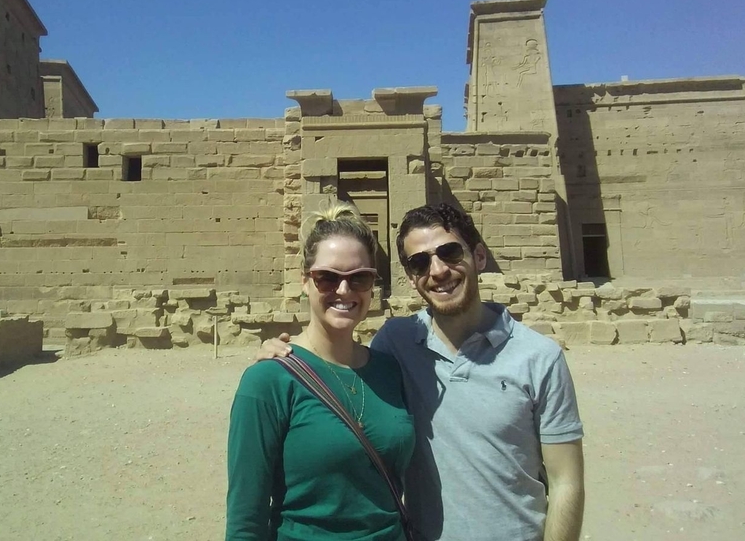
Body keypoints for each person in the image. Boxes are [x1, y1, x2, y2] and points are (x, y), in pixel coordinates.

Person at [260, 203, 585, 541]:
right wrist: (283, 352)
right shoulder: (396, 344)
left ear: (479, 256)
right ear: (412, 277)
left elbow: (566, 482)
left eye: (449, 252)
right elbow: (339, 365)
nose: (438, 270)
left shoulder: (539, 357)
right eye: (420, 262)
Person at [226, 202, 416, 540]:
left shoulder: (389, 369)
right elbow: (246, 518)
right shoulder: (268, 380)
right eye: (327, 278)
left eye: (358, 278)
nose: (343, 291)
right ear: (305, 280)